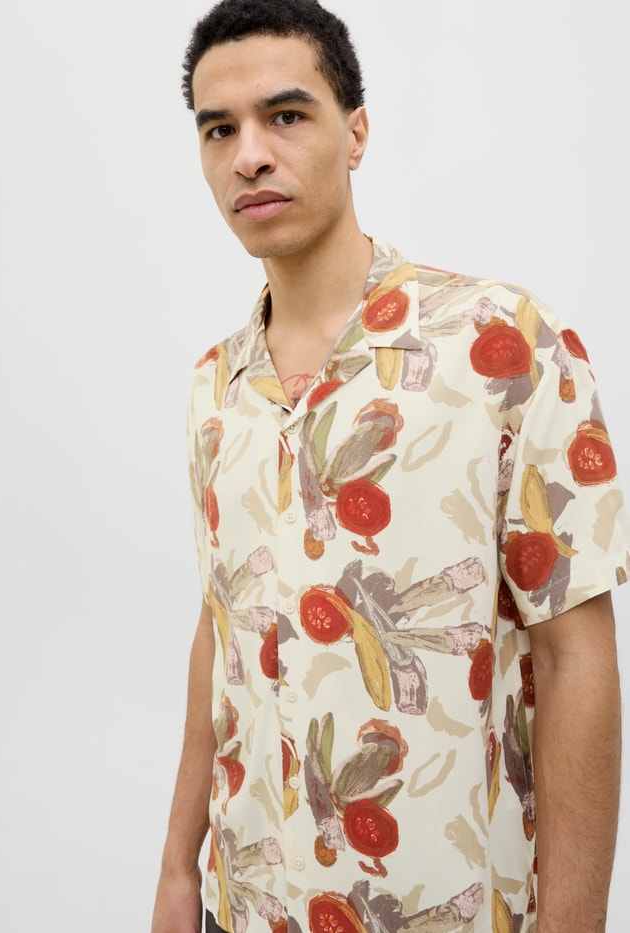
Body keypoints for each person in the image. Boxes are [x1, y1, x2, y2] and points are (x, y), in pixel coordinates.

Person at [151, 2, 628, 931]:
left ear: (356, 132)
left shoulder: (502, 343)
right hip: (246, 904)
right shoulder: (214, 386)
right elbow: (222, 627)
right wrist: (178, 869)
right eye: (220, 130)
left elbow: (577, 652)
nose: (249, 155)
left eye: (285, 115)